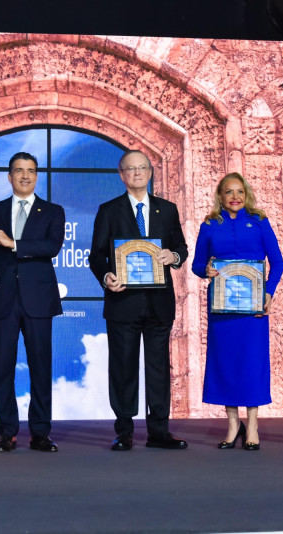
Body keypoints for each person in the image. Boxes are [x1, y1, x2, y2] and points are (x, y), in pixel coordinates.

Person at [89, 150, 189, 451]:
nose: (136, 173)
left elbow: (181, 248)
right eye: (130, 169)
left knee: (158, 368)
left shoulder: (167, 210)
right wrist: (106, 276)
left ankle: (159, 431)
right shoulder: (108, 210)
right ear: (121, 175)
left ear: (150, 172)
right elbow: (96, 255)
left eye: (142, 168)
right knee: (123, 368)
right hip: (122, 303)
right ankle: (124, 431)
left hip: (159, 303)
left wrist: (173, 256)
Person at [0, 152, 65, 453]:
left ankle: (40, 432)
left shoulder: (52, 211)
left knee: (41, 366)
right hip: (2, 299)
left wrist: (12, 243)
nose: (25, 176)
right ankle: (6, 432)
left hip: (38, 301)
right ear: (9, 176)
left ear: (37, 176)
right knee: (3, 367)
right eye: (19, 171)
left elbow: (51, 247)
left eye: (30, 171)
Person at [191, 173, 283, 450]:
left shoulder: (259, 221)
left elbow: (277, 263)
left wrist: (268, 294)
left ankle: (252, 425)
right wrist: (205, 270)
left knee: (252, 363)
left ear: (246, 194)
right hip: (222, 307)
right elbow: (197, 265)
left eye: (239, 192)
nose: (235, 197)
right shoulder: (208, 225)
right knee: (226, 363)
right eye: (229, 192)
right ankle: (233, 425)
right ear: (220, 196)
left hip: (253, 308)